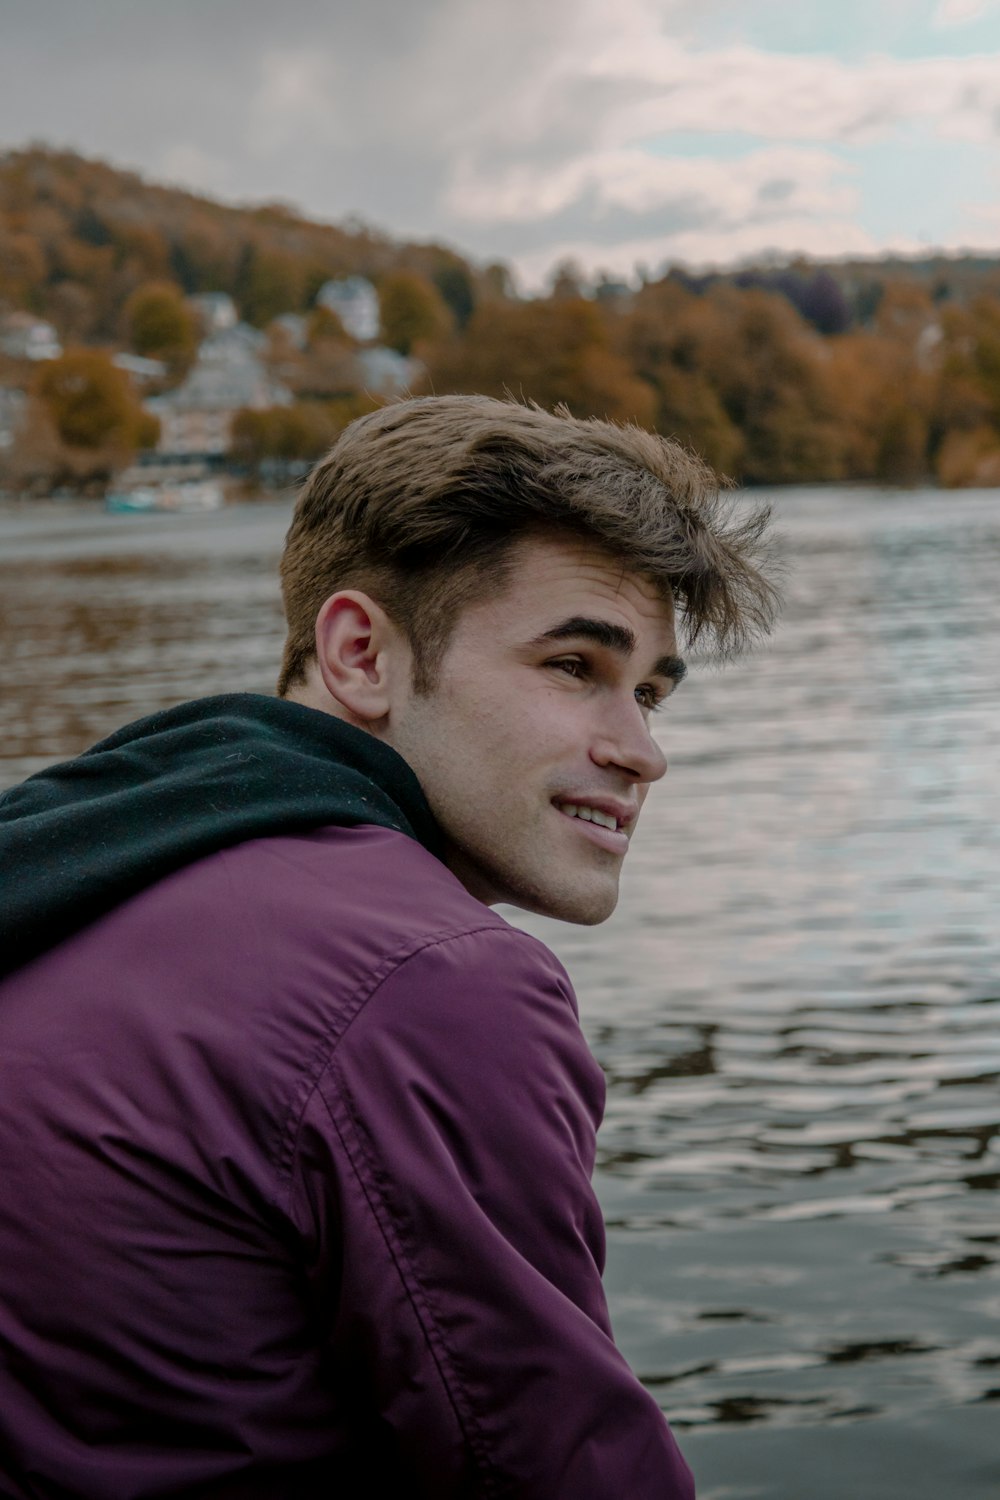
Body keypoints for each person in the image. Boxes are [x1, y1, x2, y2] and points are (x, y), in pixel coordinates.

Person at [0, 396, 777, 1498]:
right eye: (572, 665)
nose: (641, 750)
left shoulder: (79, 857)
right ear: (361, 653)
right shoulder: (426, 982)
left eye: (648, 691)